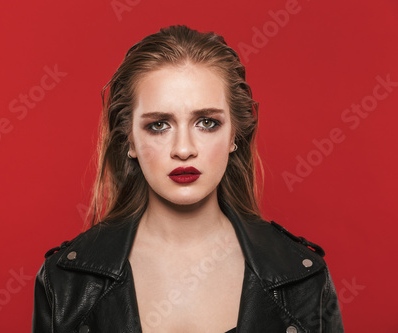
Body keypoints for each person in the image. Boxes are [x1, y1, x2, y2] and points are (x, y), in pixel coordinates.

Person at [31, 25, 344, 332]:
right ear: (129, 141)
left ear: (235, 134)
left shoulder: (302, 277)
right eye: (158, 125)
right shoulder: (67, 281)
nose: (183, 149)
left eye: (207, 123)